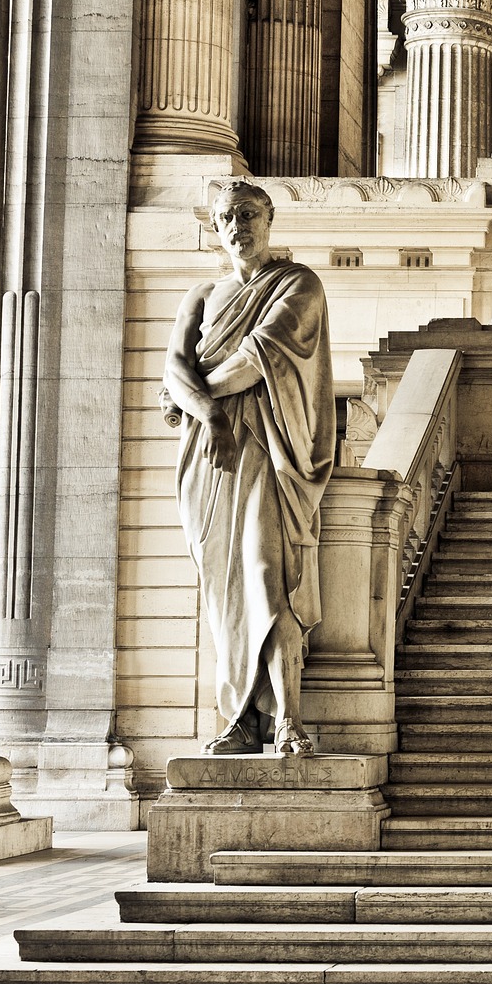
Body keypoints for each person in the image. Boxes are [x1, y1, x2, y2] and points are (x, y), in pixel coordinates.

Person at [161, 181, 336, 757]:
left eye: (247, 213)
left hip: (264, 448)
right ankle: (239, 719)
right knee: (224, 596)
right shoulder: (201, 295)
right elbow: (171, 370)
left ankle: (289, 720)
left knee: (265, 576)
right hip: (209, 462)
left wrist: (195, 399)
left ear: (269, 219)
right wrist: (207, 413)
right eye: (225, 216)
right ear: (215, 226)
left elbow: (253, 360)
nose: (236, 224)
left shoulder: (298, 284)